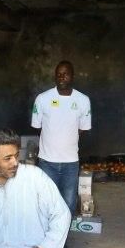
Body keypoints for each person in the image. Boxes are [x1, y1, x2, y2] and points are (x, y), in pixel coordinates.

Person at [31, 60, 92, 215]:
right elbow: (38, 127)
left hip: (70, 163)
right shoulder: (42, 99)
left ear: (72, 76)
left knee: (69, 204)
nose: (61, 77)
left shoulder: (83, 100)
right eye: (58, 74)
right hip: (47, 162)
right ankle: (48, 238)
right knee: (47, 203)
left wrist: (64, 138)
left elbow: (82, 129)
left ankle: (63, 238)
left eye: (65, 74)